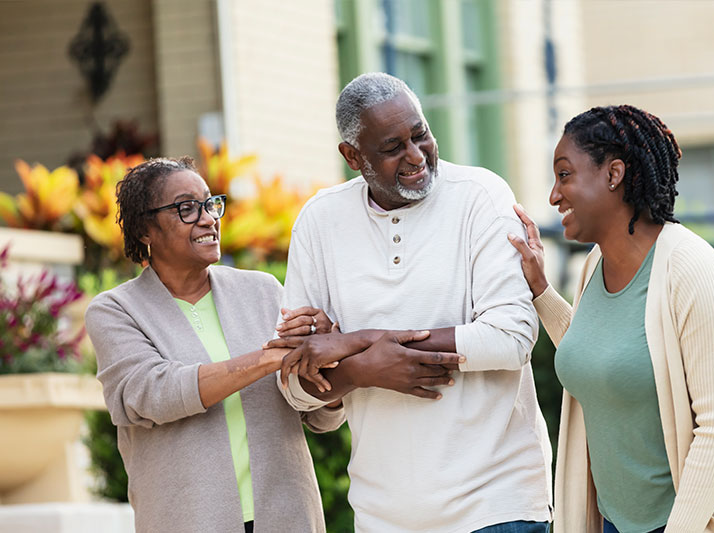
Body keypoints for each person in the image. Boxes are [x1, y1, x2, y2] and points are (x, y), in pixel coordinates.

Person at [269, 72, 553, 533]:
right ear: (352, 156)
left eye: (420, 134)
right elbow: (296, 387)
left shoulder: (481, 197)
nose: (416, 156)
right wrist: (361, 368)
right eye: (392, 147)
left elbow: (512, 338)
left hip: (497, 506)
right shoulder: (319, 222)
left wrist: (358, 343)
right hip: (383, 516)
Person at [508, 105, 714, 532]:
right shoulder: (594, 265)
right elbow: (600, 354)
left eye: (564, 175)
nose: (553, 195)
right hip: (615, 522)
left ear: (613, 174)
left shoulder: (692, 269)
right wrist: (541, 291)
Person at [84, 157, 344, 533]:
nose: (208, 218)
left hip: (287, 516)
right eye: (186, 209)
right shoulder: (115, 310)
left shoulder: (263, 291)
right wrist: (266, 359)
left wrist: (326, 361)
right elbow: (151, 393)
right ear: (145, 230)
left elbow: (316, 414)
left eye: (210, 204)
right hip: (187, 520)